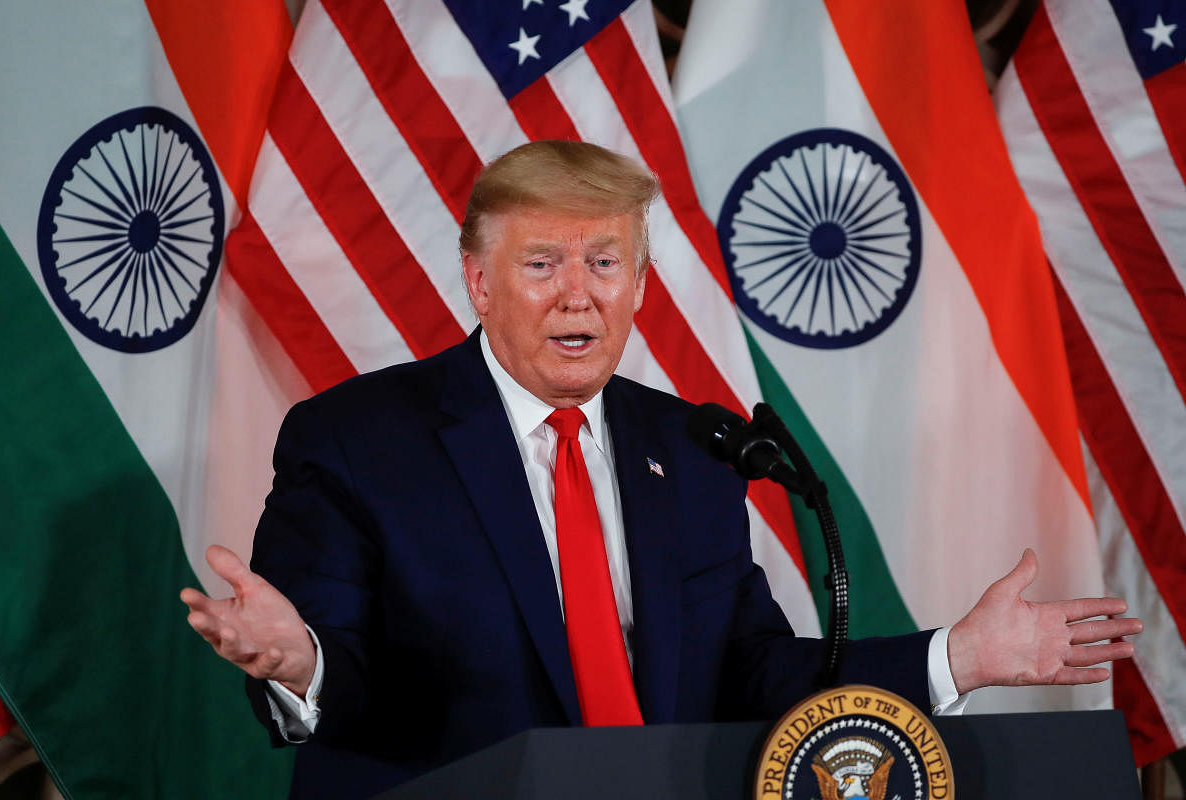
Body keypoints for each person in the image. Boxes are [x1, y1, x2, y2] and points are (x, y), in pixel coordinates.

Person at [181, 141, 1141, 798]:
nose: (579, 295)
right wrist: (298, 659)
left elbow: (754, 678)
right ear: (478, 280)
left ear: (639, 286)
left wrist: (955, 659)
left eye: (605, 262)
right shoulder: (357, 438)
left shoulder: (691, 449)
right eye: (543, 263)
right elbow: (345, 671)